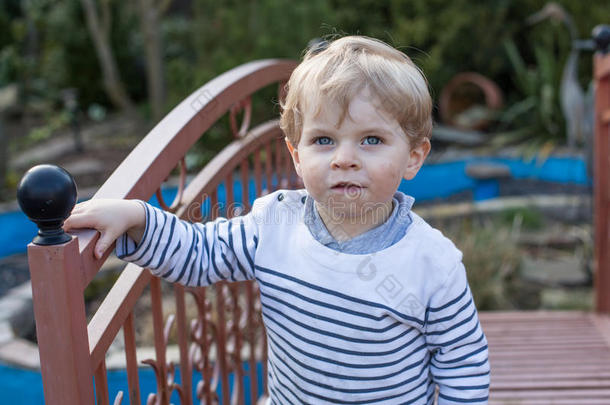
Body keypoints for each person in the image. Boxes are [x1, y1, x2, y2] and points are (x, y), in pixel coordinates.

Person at [64, 36, 490, 404]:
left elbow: (463, 363)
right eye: (324, 140)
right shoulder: (274, 223)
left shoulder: (433, 262)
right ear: (297, 156)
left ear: (414, 157)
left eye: (371, 140)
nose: (344, 159)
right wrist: (138, 218)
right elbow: (200, 254)